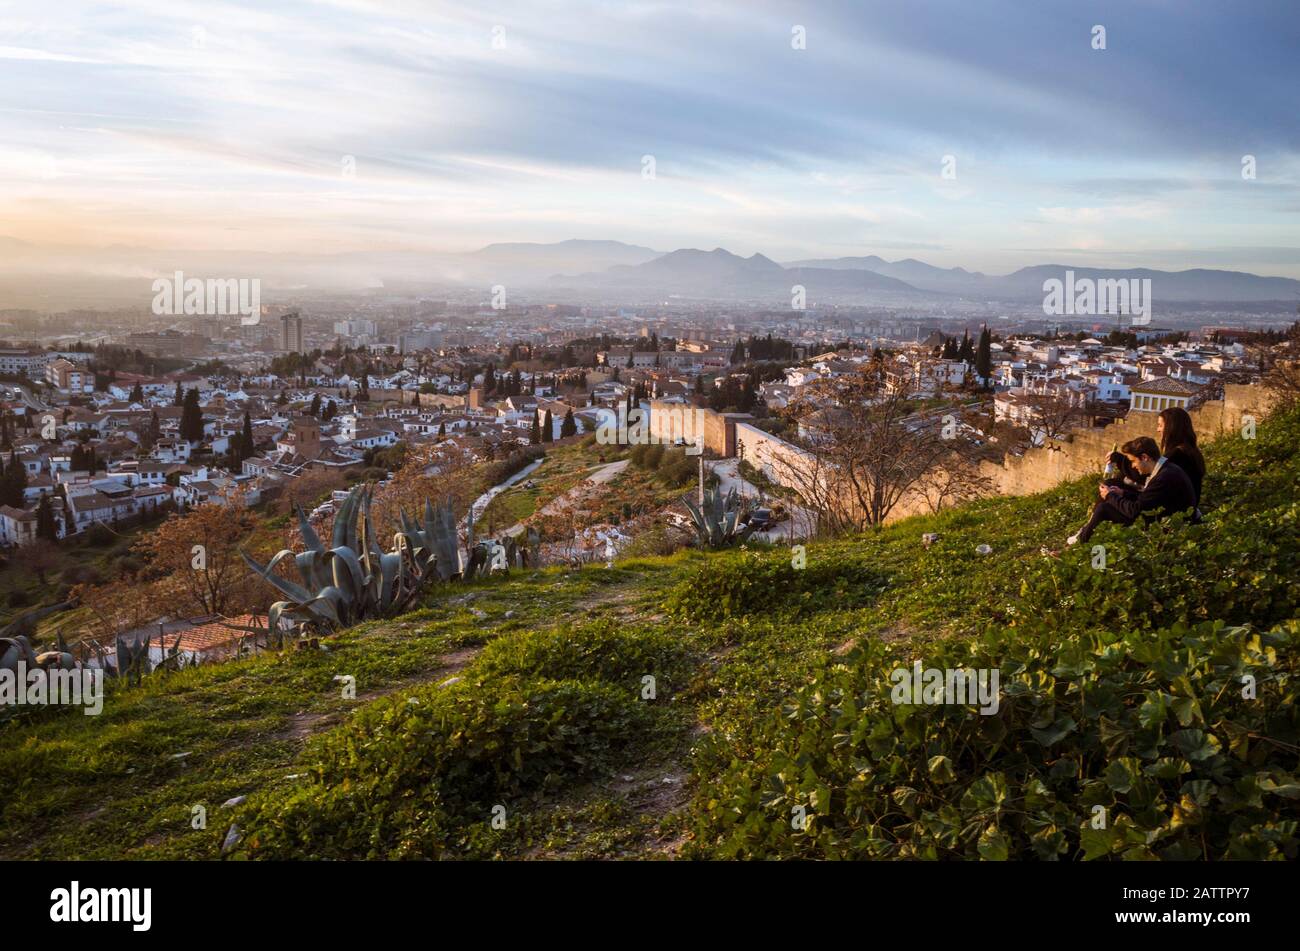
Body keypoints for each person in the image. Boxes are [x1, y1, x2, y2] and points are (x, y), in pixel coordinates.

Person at [1069, 436, 1197, 544]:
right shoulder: (1167, 469)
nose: (1133, 466)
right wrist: (1123, 493)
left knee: (1104, 509)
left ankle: (1077, 546)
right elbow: (1148, 500)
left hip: (1169, 528)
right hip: (1168, 518)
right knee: (1110, 501)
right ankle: (1083, 536)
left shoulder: (1163, 477)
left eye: (1133, 461)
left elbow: (1135, 511)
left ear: (1145, 457)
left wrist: (1110, 496)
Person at [1157, 406, 1205, 509]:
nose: (1158, 430)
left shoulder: (1177, 455)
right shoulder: (1192, 451)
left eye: (1160, 425)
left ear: (1171, 427)